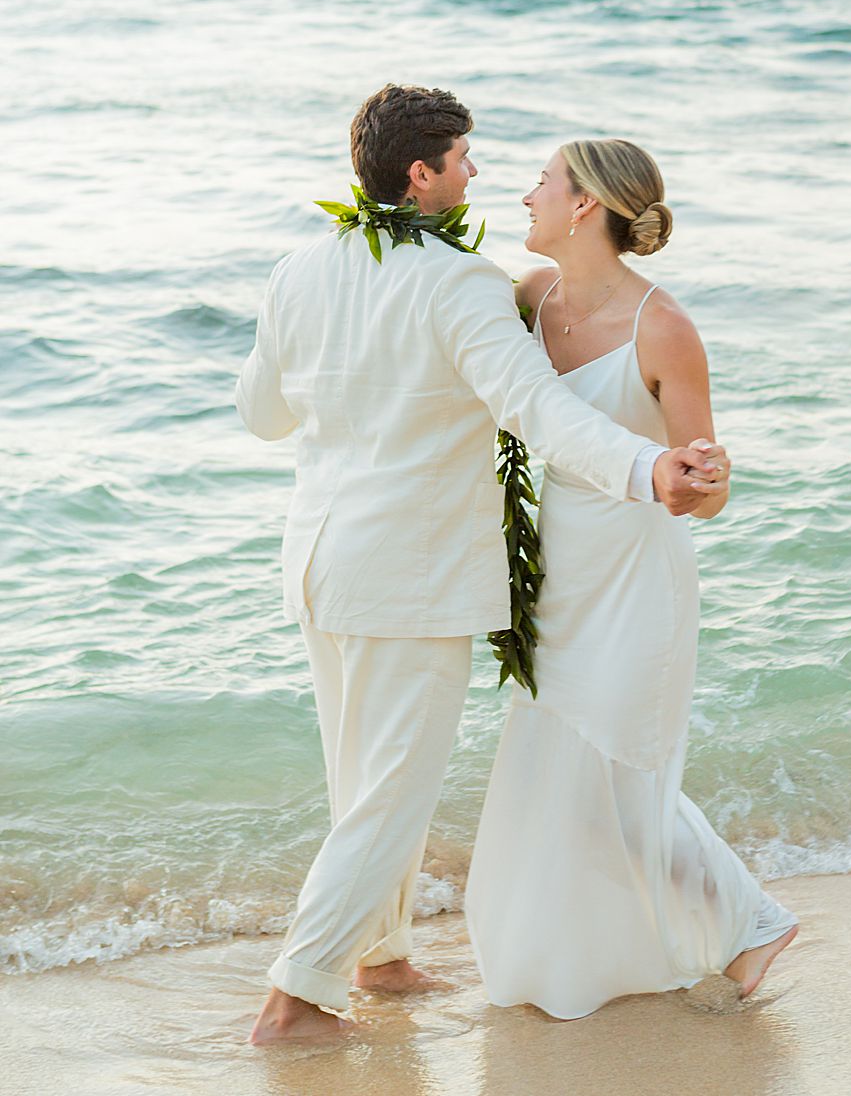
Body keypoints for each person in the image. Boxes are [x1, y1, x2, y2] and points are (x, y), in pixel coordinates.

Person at [235, 86, 729, 1044]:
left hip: (318, 564)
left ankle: (381, 959)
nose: (477, 174)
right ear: (421, 175)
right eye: (463, 159)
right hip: (408, 578)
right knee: (393, 788)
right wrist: (646, 466)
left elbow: (262, 415)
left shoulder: (298, 267)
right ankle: (294, 998)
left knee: (359, 774)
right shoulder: (459, 284)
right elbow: (540, 412)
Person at [465, 139, 797, 1018]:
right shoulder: (529, 297)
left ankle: (751, 920)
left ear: (582, 207)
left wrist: (708, 482)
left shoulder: (665, 327)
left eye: (543, 181)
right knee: (563, 786)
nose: (527, 193)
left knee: (618, 773)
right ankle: (607, 948)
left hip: (637, 576)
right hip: (556, 576)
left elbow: (704, 494)